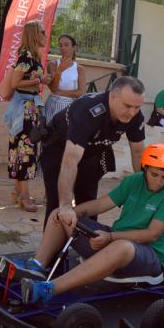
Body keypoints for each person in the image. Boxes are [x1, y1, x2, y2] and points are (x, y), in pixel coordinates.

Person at [15, 143, 164, 304]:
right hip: (116, 242)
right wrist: (72, 211)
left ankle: (48, 289)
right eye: (154, 174)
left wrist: (110, 237)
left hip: (150, 256)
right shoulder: (134, 181)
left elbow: (151, 234)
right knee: (60, 216)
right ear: (145, 168)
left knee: (122, 246)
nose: (158, 181)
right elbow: (100, 204)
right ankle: (36, 267)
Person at [40, 76, 146, 224]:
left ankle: (84, 245)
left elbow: (138, 152)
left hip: (91, 153)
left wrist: (144, 189)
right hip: (59, 150)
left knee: (88, 203)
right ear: (113, 96)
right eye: (127, 106)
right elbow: (70, 160)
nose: (132, 112)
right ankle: (54, 246)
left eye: (137, 107)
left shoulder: (135, 116)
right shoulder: (88, 110)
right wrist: (65, 205)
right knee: (57, 205)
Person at [4, 20, 52, 212]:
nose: (45, 35)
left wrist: (41, 80)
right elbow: (15, 82)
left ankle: (17, 192)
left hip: (27, 108)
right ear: (34, 35)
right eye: (42, 32)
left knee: (21, 150)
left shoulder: (32, 56)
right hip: (24, 110)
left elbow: (26, 81)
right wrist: (40, 79)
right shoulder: (26, 57)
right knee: (26, 152)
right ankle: (24, 196)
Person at [44, 34, 86, 122]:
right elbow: (54, 88)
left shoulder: (79, 69)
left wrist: (61, 92)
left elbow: (81, 92)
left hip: (69, 107)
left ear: (74, 47)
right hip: (52, 104)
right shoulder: (52, 64)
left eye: (66, 45)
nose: (63, 48)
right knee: (47, 133)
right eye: (60, 45)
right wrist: (59, 71)